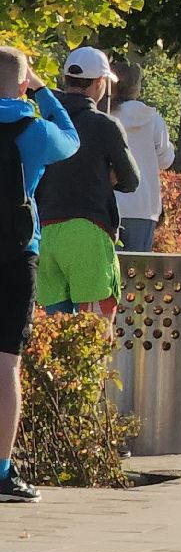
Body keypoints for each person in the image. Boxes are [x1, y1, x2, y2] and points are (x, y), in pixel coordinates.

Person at [0, 47, 80, 503]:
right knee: (6, 364)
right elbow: (71, 139)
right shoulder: (32, 130)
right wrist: (44, 91)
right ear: (22, 80)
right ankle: (2, 472)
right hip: (15, 254)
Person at [35, 48, 139, 317]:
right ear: (99, 83)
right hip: (88, 232)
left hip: (46, 232)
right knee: (94, 330)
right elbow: (131, 180)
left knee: (57, 333)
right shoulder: (105, 125)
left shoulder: (44, 122)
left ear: (66, 79)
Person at [107, 61, 173, 253]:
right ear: (137, 86)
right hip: (143, 205)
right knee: (137, 269)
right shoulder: (152, 119)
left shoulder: (105, 115)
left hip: (108, 203)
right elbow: (165, 160)